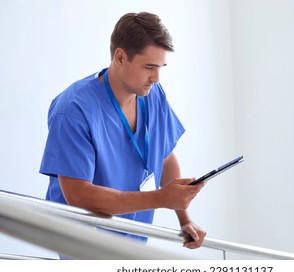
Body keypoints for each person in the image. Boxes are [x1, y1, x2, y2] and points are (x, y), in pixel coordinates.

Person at [39, 12, 206, 251]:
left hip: (132, 239)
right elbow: (79, 196)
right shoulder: (73, 110)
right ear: (120, 57)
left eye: (161, 67)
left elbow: (166, 158)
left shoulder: (152, 95)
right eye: (149, 67)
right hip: (82, 244)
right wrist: (160, 199)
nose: (156, 78)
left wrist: (185, 220)